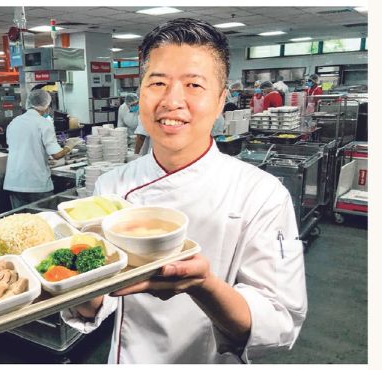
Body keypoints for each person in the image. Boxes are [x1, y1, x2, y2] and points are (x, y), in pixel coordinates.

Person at [62, 18, 307, 364]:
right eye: (158, 82)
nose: (172, 100)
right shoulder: (112, 185)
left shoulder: (261, 193)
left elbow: (280, 323)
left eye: (193, 84)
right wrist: (77, 288)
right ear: (140, 93)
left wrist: (202, 284)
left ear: (222, 100)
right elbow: (99, 298)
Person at [3, 89, 83, 209]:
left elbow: (19, 148)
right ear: (46, 106)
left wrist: (42, 156)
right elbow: (56, 155)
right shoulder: (44, 123)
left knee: (22, 222)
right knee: (44, 219)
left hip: (14, 182)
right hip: (36, 183)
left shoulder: (14, 122)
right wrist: (69, 146)